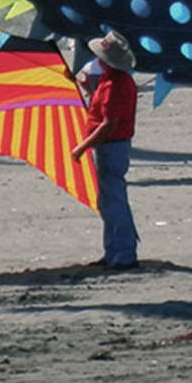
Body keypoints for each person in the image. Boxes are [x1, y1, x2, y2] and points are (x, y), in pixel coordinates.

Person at [71, 30, 140, 269]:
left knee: (113, 200)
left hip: (112, 146)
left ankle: (122, 254)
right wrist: (89, 92)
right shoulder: (112, 80)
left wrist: (81, 147)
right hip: (112, 146)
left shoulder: (115, 83)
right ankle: (114, 251)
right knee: (108, 199)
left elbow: (109, 124)